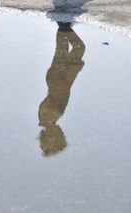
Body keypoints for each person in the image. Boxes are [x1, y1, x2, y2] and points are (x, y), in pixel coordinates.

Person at [38, 22, 85, 156]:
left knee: (77, 47)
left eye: (61, 135)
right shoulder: (47, 119)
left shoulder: (49, 117)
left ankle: (63, 26)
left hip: (60, 77)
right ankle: (64, 27)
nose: (62, 132)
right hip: (55, 77)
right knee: (64, 48)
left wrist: (73, 73)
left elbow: (61, 90)